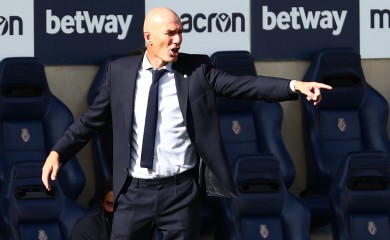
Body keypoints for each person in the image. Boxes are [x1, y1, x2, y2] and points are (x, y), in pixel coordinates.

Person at [42, 6, 332, 240]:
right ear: (148, 37)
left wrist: (294, 85)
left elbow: (246, 85)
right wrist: (58, 152)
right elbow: (91, 120)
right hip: (133, 192)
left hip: (180, 193)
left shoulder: (197, 70)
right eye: (170, 33)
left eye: (180, 32)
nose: (177, 39)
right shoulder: (119, 72)